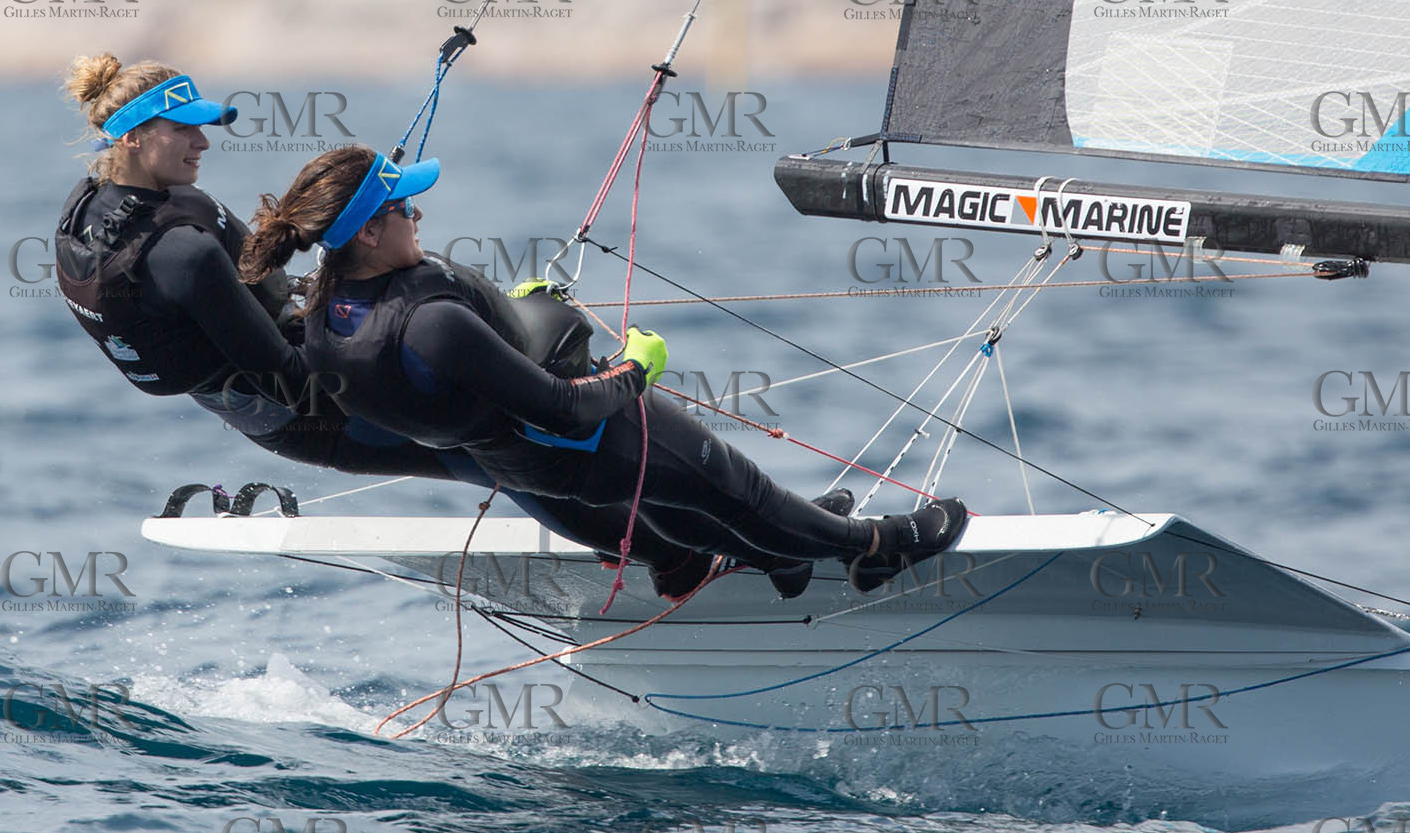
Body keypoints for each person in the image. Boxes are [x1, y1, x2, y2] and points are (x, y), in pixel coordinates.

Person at [53, 53, 708, 589]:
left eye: (202, 124)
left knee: (504, 398)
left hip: (292, 378)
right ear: (133, 137)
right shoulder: (180, 251)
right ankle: (675, 558)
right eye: (182, 128)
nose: (202, 140)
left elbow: (254, 280)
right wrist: (384, 337)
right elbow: (287, 379)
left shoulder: (98, 212)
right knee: (500, 451)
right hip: (315, 410)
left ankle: (667, 518)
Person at [237, 144, 969, 596]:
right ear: (369, 230)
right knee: (743, 493)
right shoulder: (429, 324)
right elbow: (562, 406)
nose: (419, 217)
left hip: (529, 466)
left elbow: (445, 375)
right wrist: (635, 369)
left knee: (698, 510)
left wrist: (503, 317)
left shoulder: (326, 315)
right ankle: (879, 549)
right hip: (586, 439)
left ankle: (782, 560)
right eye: (406, 209)